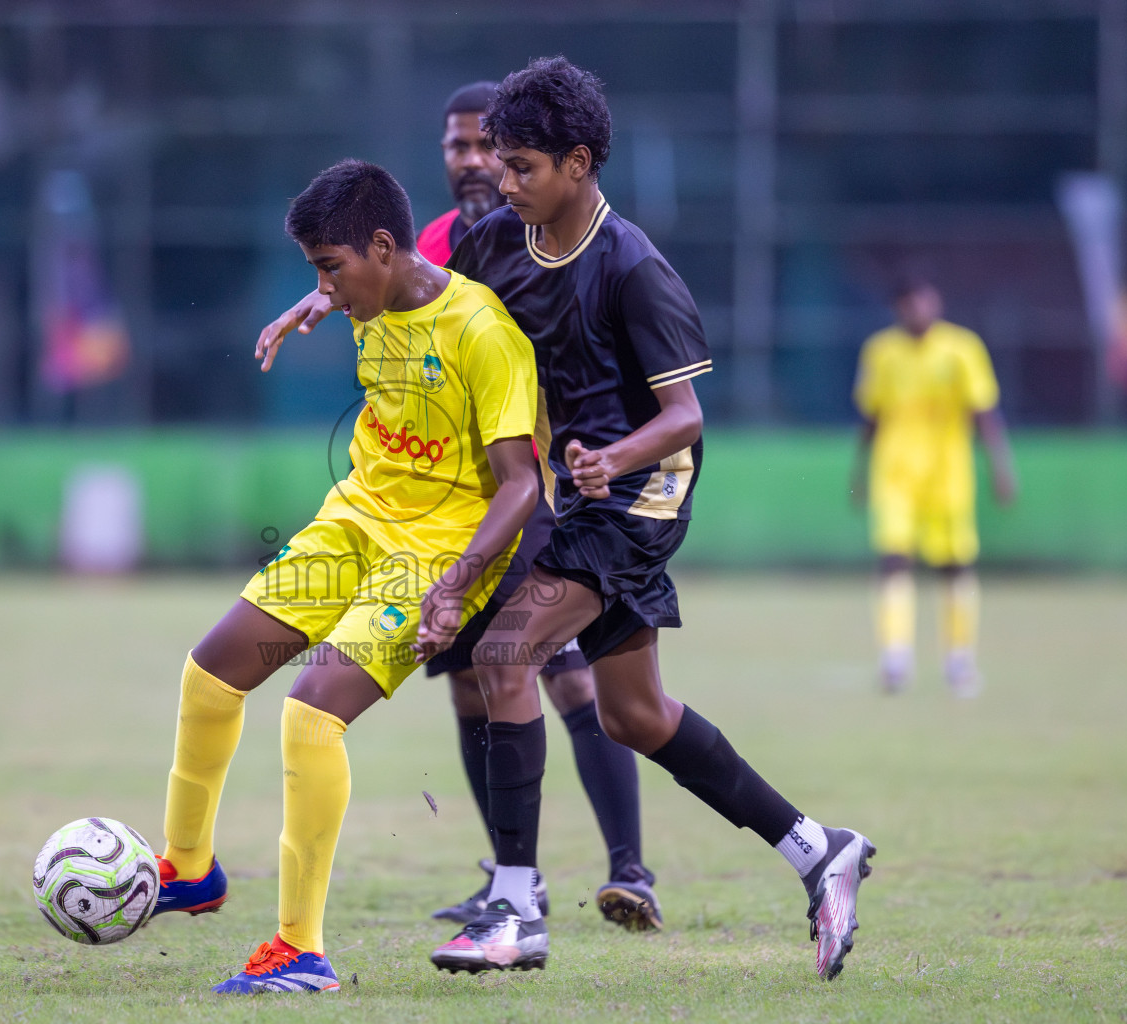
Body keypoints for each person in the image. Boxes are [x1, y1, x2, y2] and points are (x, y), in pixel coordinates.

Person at [257, 56, 874, 982]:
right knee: (634, 714)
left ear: (579, 163)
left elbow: (684, 416)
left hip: (642, 488)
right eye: (497, 163)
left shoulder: (634, 268)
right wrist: (327, 291)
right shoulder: (499, 240)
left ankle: (513, 907)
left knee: (509, 650)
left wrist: (608, 458)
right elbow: (420, 287)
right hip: (573, 492)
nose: (499, 182)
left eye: (521, 167)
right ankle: (815, 849)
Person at [152, 158, 540, 995]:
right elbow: (352, 289)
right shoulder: (364, 292)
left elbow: (521, 485)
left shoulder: (480, 331)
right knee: (211, 672)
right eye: (313, 272)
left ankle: (301, 951)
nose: (324, 286)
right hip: (353, 520)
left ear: (381, 245)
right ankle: (188, 868)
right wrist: (323, 296)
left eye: (330, 268)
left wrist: (454, 588)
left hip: (435, 553)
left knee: (308, 717)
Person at [420, 81, 660, 931]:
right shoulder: (439, 248)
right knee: (470, 691)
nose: (475, 162)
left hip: (546, 491)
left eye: (493, 149)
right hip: (466, 501)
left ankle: (628, 866)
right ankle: (512, 877)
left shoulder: (562, 239)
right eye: (458, 146)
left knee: (558, 676)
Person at [851, 277, 1018, 697]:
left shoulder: (963, 348)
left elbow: (984, 413)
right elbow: (872, 417)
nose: (917, 310)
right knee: (893, 562)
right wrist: (859, 471)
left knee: (955, 566)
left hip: (948, 474)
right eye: (908, 303)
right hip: (896, 474)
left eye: (923, 301)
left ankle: (959, 660)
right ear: (898, 308)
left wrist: (1000, 467)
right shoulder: (881, 351)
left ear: (935, 301)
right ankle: (895, 659)